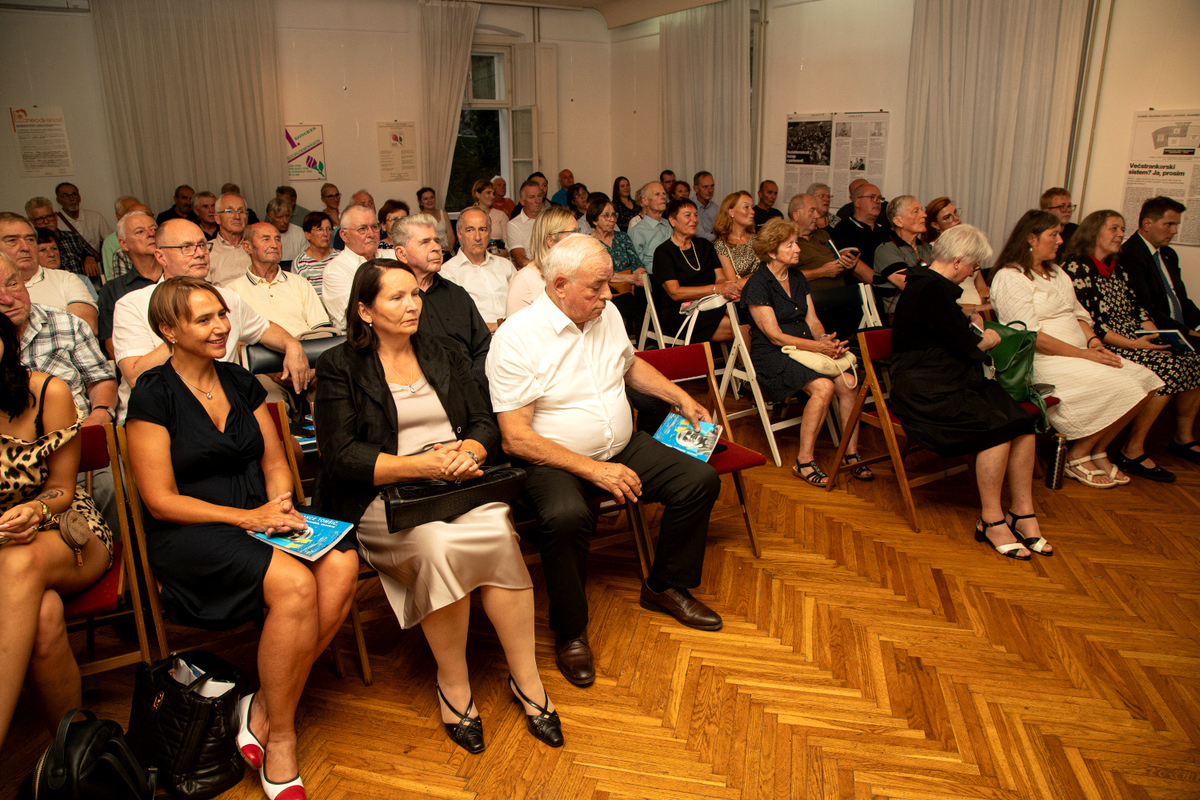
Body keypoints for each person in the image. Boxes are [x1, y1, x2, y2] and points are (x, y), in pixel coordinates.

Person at [313, 259, 562, 753]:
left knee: (497, 533)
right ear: (364, 311)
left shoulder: (443, 350)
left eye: (415, 295)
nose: (412, 305)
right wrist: (421, 466)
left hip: (459, 485)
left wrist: (470, 453)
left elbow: (484, 422)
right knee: (435, 545)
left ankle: (527, 681)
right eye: (396, 297)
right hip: (386, 497)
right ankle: (454, 685)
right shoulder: (339, 365)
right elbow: (341, 455)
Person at [125, 277, 358, 797]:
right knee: (295, 585)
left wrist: (279, 505)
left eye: (222, 315)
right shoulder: (153, 392)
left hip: (262, 512)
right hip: (193, 528)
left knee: (342, 562)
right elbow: (160, 500)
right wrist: (248, 519)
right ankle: (283, 738)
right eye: (204, 319)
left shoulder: (238, 378)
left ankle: (263, 707)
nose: (221, 327)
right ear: (168, 330)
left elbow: (275, 463)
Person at [488, 234, 724, 688]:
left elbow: (629, 364)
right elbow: (515, 438)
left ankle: (664, 586)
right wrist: (592, 469)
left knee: (698, 480)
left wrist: (678, 397)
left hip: (620, 446)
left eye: (607, 284)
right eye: (596, 286)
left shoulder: (605, 314)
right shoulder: (517, 338)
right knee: (566, 516)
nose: (608, 295)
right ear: (559, 285)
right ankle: (570, 632)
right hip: (554, 461)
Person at [889, 225, 1048, 559]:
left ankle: (1022, 512)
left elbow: (948, 333)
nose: (974, 272)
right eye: (974, 265)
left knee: (1022, 423)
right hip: (926, 391)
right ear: (958, 261)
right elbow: (971, 346)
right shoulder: (930, 288)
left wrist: (968, 323)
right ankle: (991, 520)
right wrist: (990, 338)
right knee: (996, 428)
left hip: (951, 379)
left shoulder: (931, 286)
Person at [0, 313, 113, 747]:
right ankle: (74, 755)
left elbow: (62, 489)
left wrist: (34, 509)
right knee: (45, 616)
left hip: (63, 526)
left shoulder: (48, 390)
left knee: (19, 561)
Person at [990, 210, 1162, 488]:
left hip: (1081, 352)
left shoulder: (1056, 272)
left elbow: (1079, 315)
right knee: (1129, 387)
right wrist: (1084, 354)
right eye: (1053, 235)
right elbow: (1029, 337)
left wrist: (1094, 343)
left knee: (1149, 381)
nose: (1061, 240)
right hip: (1042, 360)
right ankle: (1078, 454)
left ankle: (1097, 450)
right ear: (1031, 238)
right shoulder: (1011, 277)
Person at [112, 219, 310, 423]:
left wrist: (292, 345)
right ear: (160, 256)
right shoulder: (133, 305)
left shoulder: (226, 298)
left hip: (226, 415)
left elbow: (264, 329)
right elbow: (135, 377)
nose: (199, 253)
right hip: (161, 417)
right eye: (186, 247)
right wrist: (184, 334)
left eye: (202, 245)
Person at [1063, 210, 1200, 480]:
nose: (1121, 234)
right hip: (1107, 342)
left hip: (1134, 337)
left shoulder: (1117, 267)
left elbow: (1137, 309)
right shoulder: (1077, 267)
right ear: (1094, 232)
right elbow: (1092, 324)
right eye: (1114, 228)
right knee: (1166, 369)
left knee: (1193, 358)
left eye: (1122, 229)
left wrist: (1156, 335)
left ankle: (1182, 438)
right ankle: (1132, 449)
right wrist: (1137, 345)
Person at [742, 219, 868, 486]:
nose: (797, 249)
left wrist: (826, 342)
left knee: (848, 383)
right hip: (774, 354)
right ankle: (804, 461)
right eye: (790, 245)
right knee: (824, 386)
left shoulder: (797, 277)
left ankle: (850, 453)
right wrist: (818, 347)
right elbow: (774, 336)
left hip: (805, 347)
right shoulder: (758, 284)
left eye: (796, 243)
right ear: (772, 251)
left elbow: (812, 320)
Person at [392, 214, 492, 394]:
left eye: (437, 241)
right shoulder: (392, 301)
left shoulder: (457, 294)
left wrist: (474, 383)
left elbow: (483, 347)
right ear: (401, 253)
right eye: (425, 242)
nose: (436, 248)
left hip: (470, 389)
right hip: (418, 394)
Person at [651, 198, 739, 344]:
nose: (694, 220)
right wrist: (715, 289)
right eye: (687, 215)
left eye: (696, 215)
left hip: (712, 302)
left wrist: (726, 287)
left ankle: (749, 359)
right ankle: (748, 359)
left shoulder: (705, 246)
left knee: (744, 311)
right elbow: (675, 293)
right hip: (681, 311)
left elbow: (720, 277)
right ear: (672, 220)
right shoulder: (664, 252)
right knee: (739, 325)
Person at [1120, 196, 1199, 352]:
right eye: (1169, 224)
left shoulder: (1168, 254)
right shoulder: (1129, 255)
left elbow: (1181, 298)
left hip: (1181, 327)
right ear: (1147, 224)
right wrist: (1190, 333)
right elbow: (1147, 308)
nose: (1174, 231)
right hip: (1160, 332)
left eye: (1176, 225)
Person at [228, 223, 330, 339]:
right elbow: (234, 339)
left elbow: (321, 329)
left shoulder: (300, 283)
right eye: (266, 239)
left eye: (277, 239)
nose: (274, 245)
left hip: (305, 347)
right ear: (248, 247)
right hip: (260, 349)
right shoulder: (233, 291)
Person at [788, 194, 869, 339]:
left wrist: (848, 266)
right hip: (814, 301)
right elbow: (783, 276)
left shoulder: (823, 235)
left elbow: (836, 261)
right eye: (812, 211)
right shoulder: (785, 239)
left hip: (841, 298)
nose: (817, 215)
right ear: (796, 214)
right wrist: (821, 272)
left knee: (866, 305)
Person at [441, 207, 516, 332]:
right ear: (459, 234)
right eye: (470, 230)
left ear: (490, 233)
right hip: (478, 338)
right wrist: (496, 327)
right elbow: (454, 321)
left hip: (516, 333)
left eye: (483, 230)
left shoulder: (505, 266)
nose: (477, 237)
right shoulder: (448, 273)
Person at [98, 211, 162, 357]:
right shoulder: (112, 290)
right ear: (124, 244)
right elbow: (112, 348)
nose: (150, 234)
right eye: (140, 231)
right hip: (140, 364)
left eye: (154, 229)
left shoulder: (179, 278)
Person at [506, 206, 578, 318]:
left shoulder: (575, 273)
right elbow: (514, 327)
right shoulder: (524, 279)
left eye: (578, 231)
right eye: (572, 233)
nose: (579, 238)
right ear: (550, 240)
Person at [588, 196, 644, 334]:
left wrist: (639, 274)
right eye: (606, 216)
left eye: (613, 215)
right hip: (608, 290)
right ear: (595, 220)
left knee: (648, 297)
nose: (612, 219)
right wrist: (631, 278)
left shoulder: (622, 237)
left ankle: (647, 342)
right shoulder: (589, 243)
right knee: (636, 307)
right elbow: (600, 274)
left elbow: (636, 263)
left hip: (631, 287)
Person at [26, 228, 98, 333]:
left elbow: (89, 325)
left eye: (54, 248)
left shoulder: (80, 279)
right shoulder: (25, 286)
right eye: (42, 250)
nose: (51, 254)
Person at [322, 205, 381, 332]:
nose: (371, 234)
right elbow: (358, 314)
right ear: (344, 235)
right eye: (362, 229)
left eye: (374, 227)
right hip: (361, 337)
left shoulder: (393, 256)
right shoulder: (335, 270)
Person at [924, 197, 988, 311]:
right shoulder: (934, 251)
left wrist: (986, 297)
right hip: (956, 310)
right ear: (935, 225)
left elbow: (981, 287)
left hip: (979, 310)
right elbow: (942, 297)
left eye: (955, 213)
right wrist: (977, 308)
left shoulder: (969, 247)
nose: (956, 219)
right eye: (947, 217)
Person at [873, 195, 933, 315]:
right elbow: (911, 287)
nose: (924, 214)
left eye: (921, 210)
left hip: (930, 311)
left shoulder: (927, 248)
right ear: (898, 221)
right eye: (916, 211)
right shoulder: (886, 250)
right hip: (903, 317)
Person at [26, 198, 98, 281]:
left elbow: (94, 254)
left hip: (80, 283)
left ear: (55, 216)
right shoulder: (30, 244)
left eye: (49, 216)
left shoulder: (73, 237)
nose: (46, 221)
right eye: (40, 219)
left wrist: (90, 257)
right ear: (31, 222)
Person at [831, 183, 889, 269]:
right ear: (857, 202)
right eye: (872, 197)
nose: (878, 202)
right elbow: (852, 265)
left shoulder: (884, 228)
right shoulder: (844, 228)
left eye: (880, 198)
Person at [712, 191, 759, 282]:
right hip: (743, 291)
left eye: (752, 207)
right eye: (746, 207)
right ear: (731, 212)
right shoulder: (721, 244)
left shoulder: (757, 240)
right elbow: (732, 282)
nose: (752, 211)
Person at [208, 193, 251, 287]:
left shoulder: (256, 247)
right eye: (229, 211)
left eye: (241, 211)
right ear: (217, 218)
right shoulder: (206, 250)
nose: (237, 217)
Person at [54, 183, 111, 253]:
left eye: (74, 194)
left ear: (79, 198)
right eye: (66, 196)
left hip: (94, 258)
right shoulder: (56, 222)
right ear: (58, 200)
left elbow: (110, 240)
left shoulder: (95, 217)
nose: (71, 198)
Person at [293, 212, 336, 301]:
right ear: (307, 234)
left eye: (328, 229)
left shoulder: (340, 257)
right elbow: (298, 296)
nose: (325, 234)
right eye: (319, 229)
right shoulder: (300, 263)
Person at [629, 182, 670, 271]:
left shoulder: (671, 225)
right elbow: (637, 267)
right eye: (657, 194)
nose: (663, 197)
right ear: (645, 201)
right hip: (652, 275)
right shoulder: (637, 231)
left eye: (664, 193)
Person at [506, 180, 545, 269]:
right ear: (522, 201)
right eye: (532, 197)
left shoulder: (550, 220)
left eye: (539, 196)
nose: (537, 201)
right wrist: (543, 271)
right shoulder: (514, 225)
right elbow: (520, 260)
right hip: (530, 273)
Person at [102, 196, 143, 279]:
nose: (136, 215)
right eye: (130, 212)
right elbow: (112, 277)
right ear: (119, 216)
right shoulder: (110, 242)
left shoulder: (151, 234)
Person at [1040, 187, 1077, 263]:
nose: (1068, 210)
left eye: (1069, 206)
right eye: (1062, 207)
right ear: (1047, 211)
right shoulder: (1039, 232)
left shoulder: (1076, 231)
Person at [265, 198, 306, 266]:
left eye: (287, 216)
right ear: (270, 217)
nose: (285, 221)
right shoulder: (263, 234)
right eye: (280, 217)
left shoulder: (299, 232)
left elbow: (305, 260)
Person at [471, 179, 507, 254]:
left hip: (498, 254)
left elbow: (507, 241)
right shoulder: (469, 215)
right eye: (488, 193)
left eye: (493, 193)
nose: (492, 196)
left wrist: (503, 253)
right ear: (478, 194)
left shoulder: (501, 215)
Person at [416, 187, 455, 254]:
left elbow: (450, 234)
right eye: (426, 199)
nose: (430, 201)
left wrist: (450, 247)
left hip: (448, 251)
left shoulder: (443, 213)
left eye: (432, 197)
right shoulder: (419, 218)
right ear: (420, 202)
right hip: (432, 252)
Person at [693, 172, 717, 241]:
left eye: (712, 186)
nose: (710, 190)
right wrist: (718, 237)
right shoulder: (688, 206)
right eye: (705, 187)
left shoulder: (716, 209)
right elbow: (698, 234)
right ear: (696, 188)